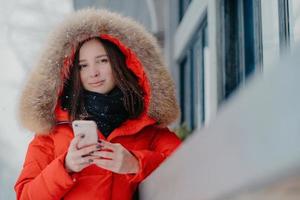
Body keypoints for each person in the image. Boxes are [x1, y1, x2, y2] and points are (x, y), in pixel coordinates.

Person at [15, 9, 181, 200]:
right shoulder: (51, 133)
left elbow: (185, 166)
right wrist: (65, 166)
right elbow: (25, 196)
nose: (93, 73)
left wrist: (135, 164)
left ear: (121, 64)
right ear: (73, 73)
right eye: (83, 65)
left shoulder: (147, 128)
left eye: (102, 61)